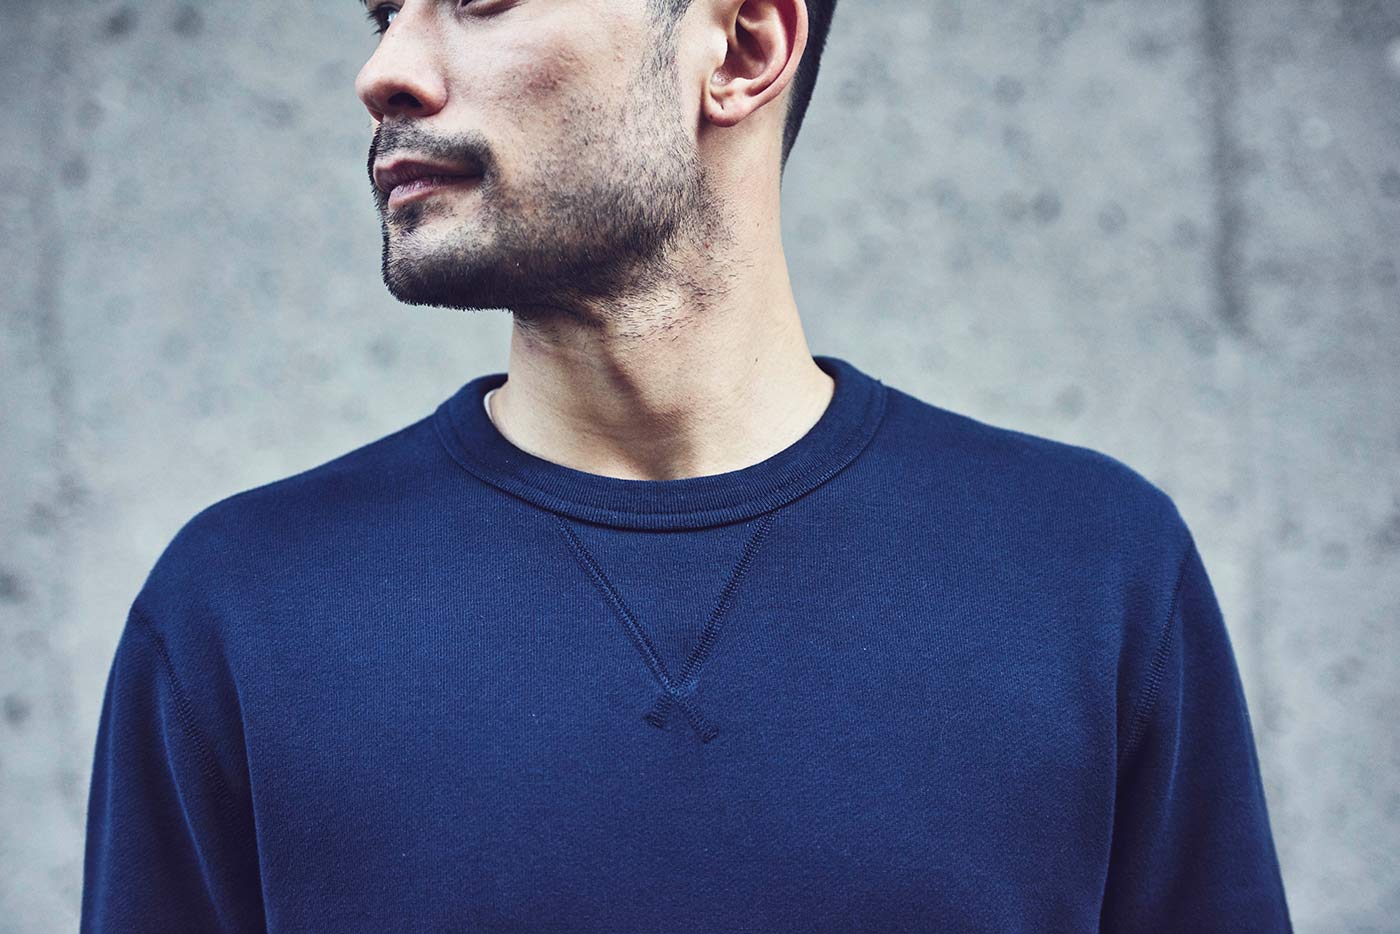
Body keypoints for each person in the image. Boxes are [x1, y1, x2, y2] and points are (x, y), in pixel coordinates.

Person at [80, 0, 1294, 930]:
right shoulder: (240, 607)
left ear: (741, 46)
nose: (384, 68)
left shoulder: (1087, 570)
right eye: (384, 11)